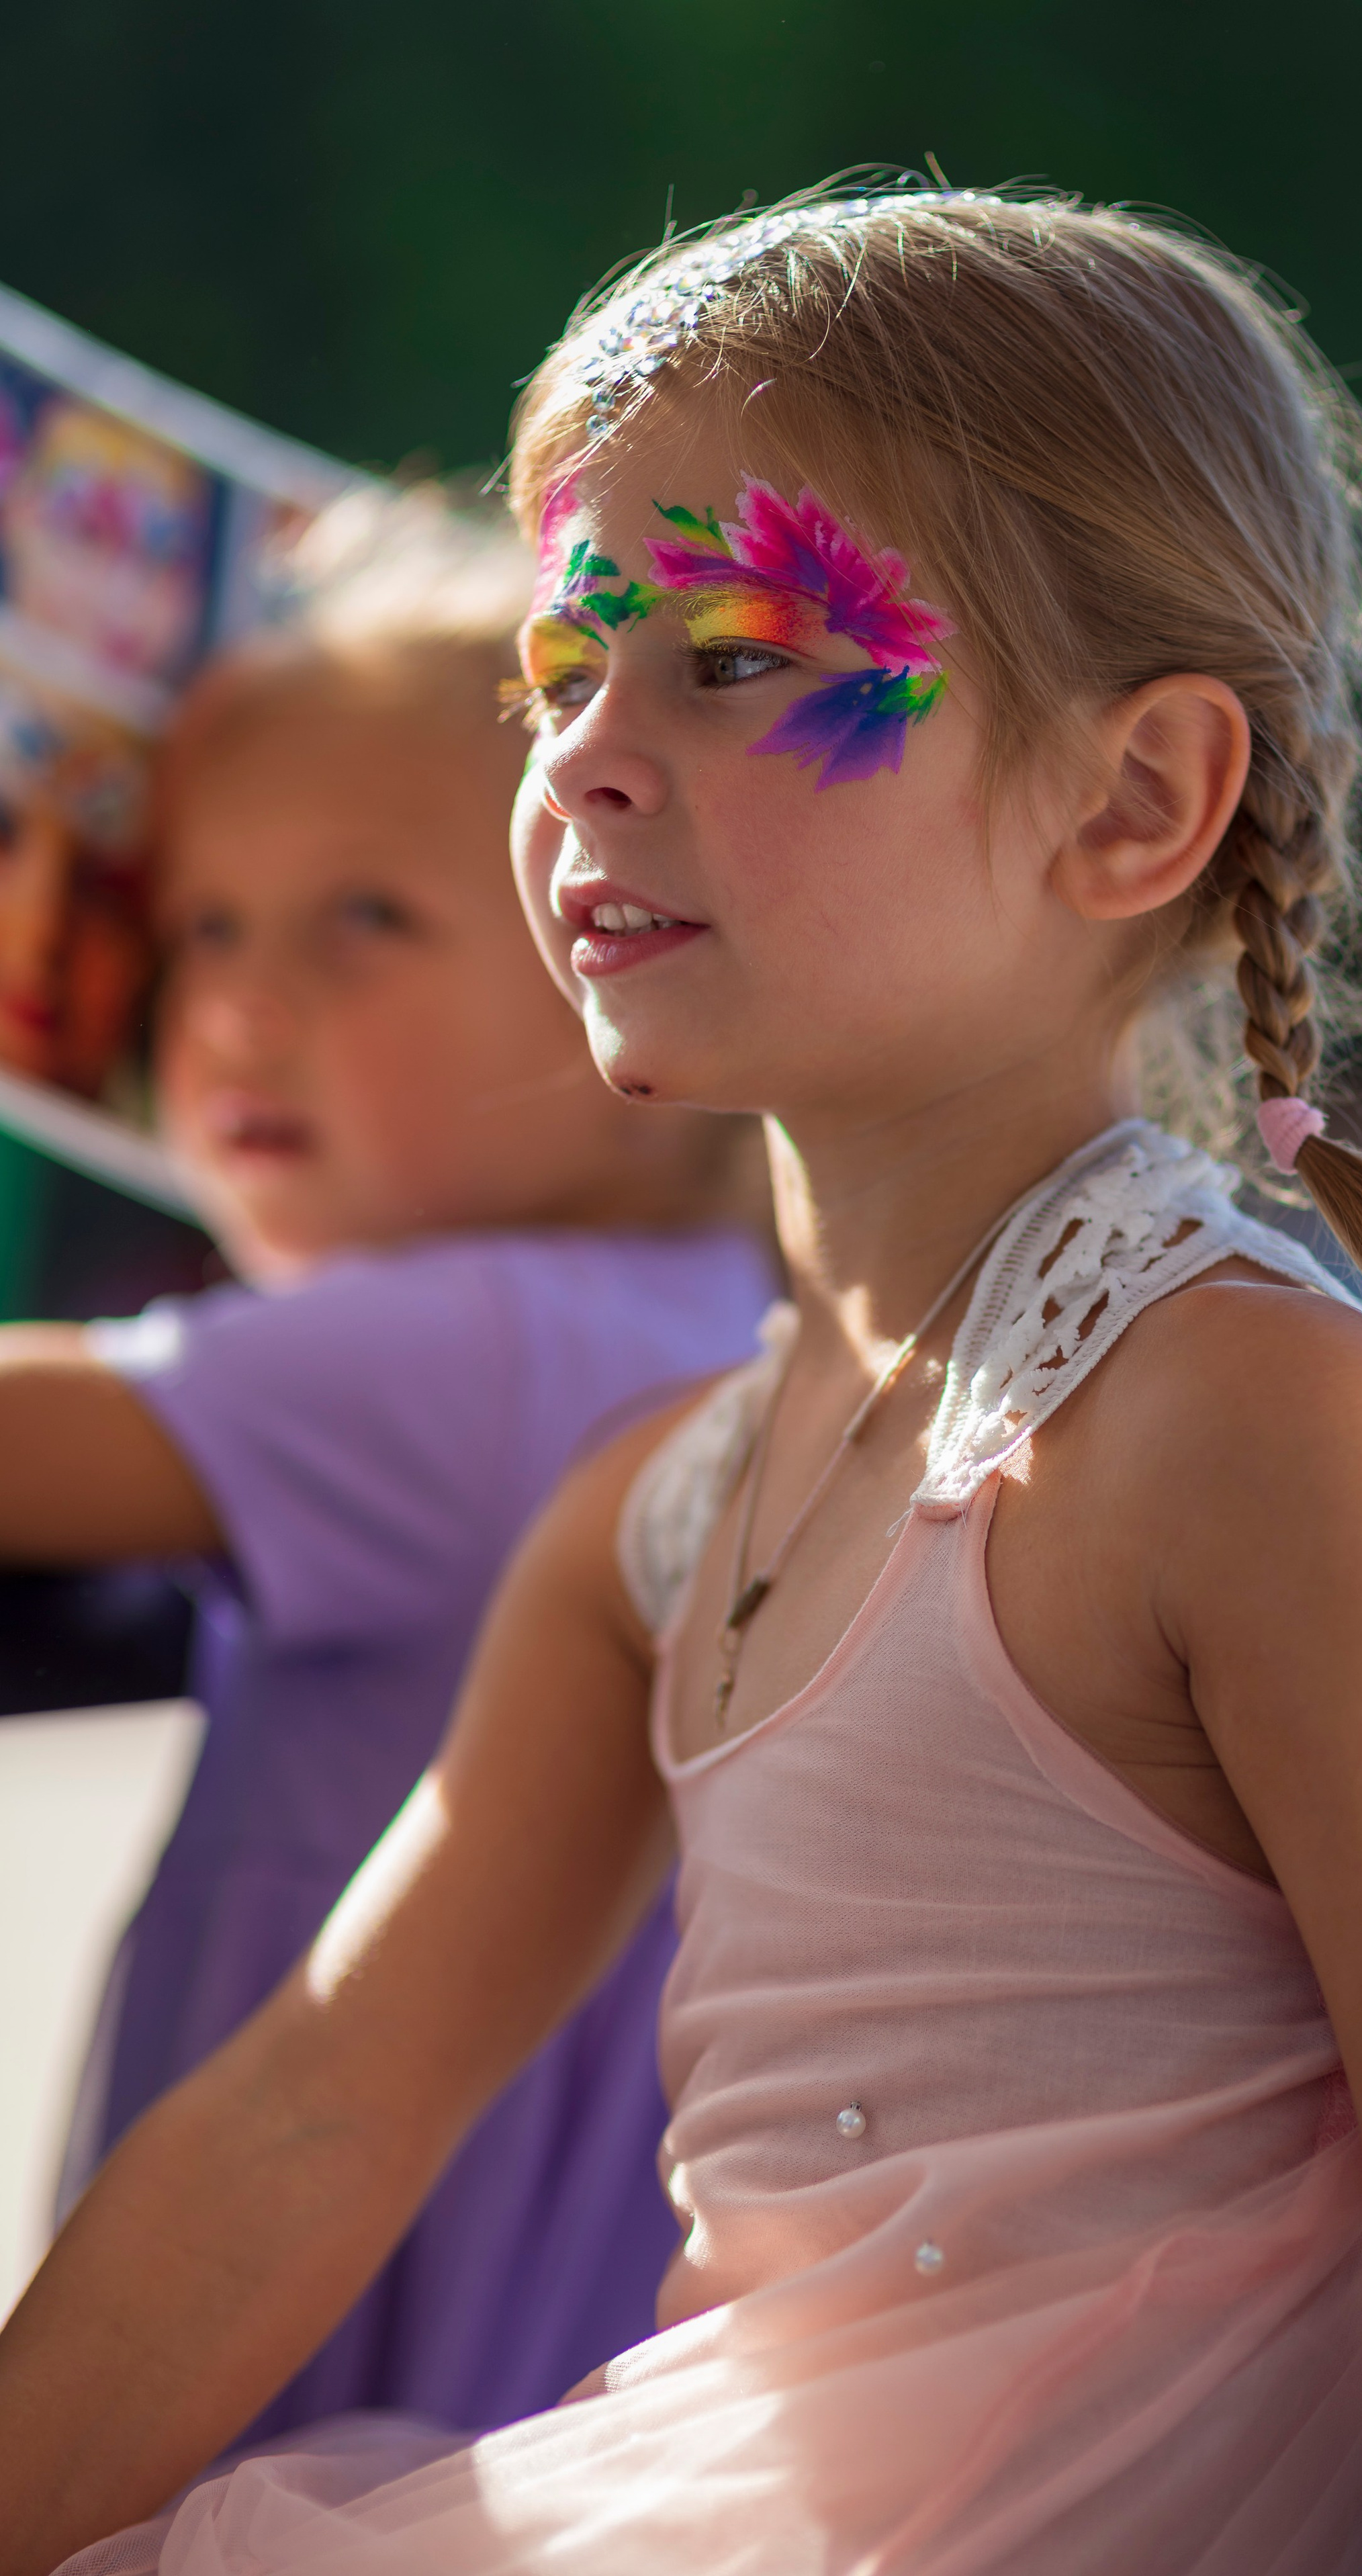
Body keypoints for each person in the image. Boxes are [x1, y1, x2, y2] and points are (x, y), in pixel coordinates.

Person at [0, 189, 1362, 2576]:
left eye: (737, 657)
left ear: (1137, 798)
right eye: (564, 671)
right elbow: (311, 2114)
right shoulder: (657, 1512)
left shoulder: (1229, 1414)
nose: (585, 765)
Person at [0, 481, 774, 2441]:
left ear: (620, 944)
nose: (243, 1001)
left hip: (317, 2378)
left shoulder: (485, 1340)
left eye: (366, 917)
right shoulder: (690, 1313)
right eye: (202, 925)